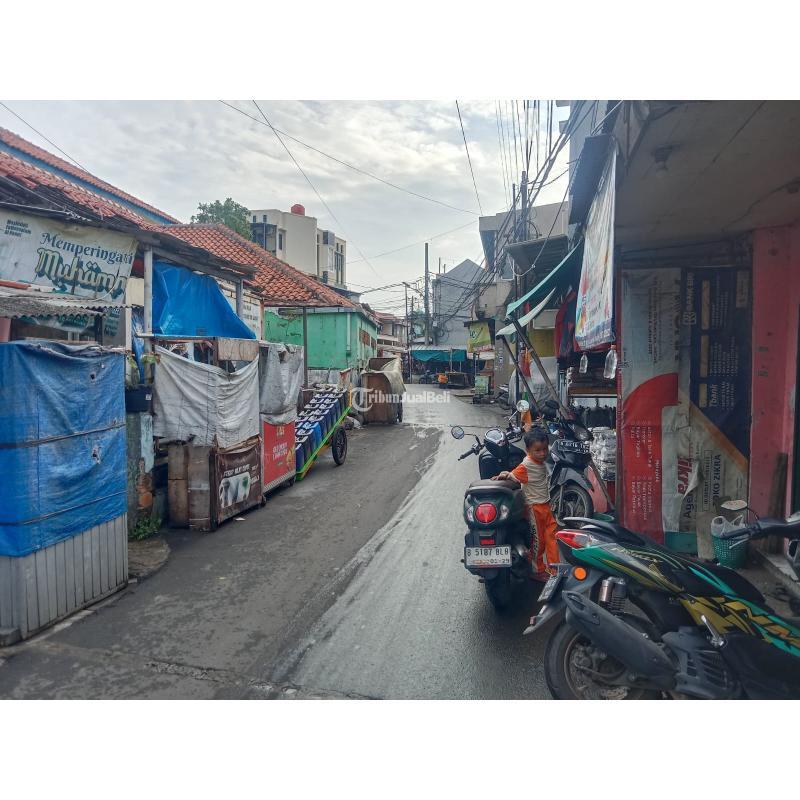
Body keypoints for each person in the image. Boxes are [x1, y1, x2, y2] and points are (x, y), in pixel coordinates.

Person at [492, 427, 559, 579]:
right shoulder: (527, 464)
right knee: (539, 542)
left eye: (544, 449)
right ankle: (537, 570)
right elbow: (513, 475)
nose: (542, 453)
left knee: (552, 538)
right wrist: (504, 475)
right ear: (528, 450)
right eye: (538, 450)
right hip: (534, 508)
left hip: (545, 505)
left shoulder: (540, 462)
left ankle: (555, 569)